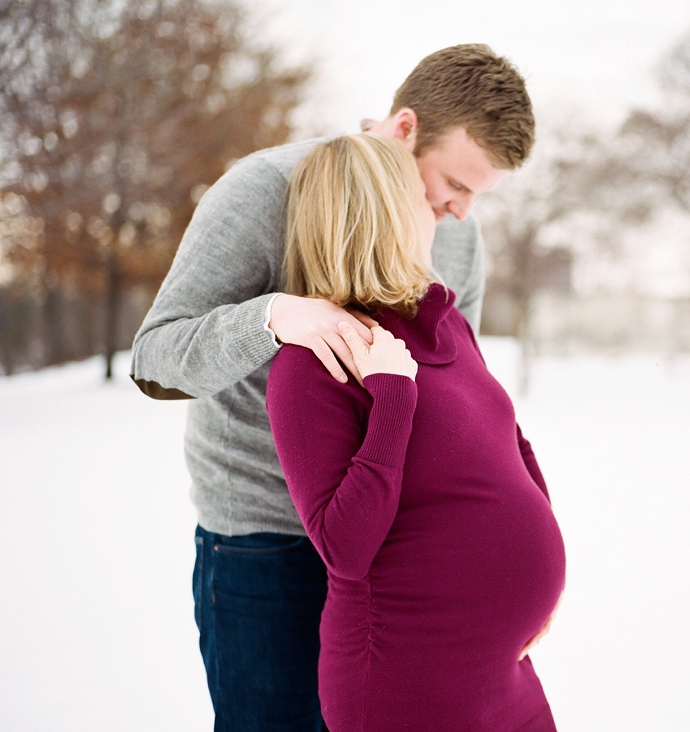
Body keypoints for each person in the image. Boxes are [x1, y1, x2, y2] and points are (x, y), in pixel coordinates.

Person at [130, 45, 538, 732]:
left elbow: (457, 396)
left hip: (397, 550)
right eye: (453, 184)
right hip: (268, 542)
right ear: (405, 128)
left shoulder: (460, 241)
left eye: (478, 195)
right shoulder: (264, 192)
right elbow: (155, 359)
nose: (462, 213)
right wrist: (274, 316)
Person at [267, 132, 564, 732]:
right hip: (410, 679)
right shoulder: (312, 366)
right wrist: (393, 399)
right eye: (420, 202)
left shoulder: (448, 322)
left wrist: (539, 582)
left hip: (503, 668)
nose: (444, 216)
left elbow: (512, 444)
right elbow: (343, 548)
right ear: (378, 218)